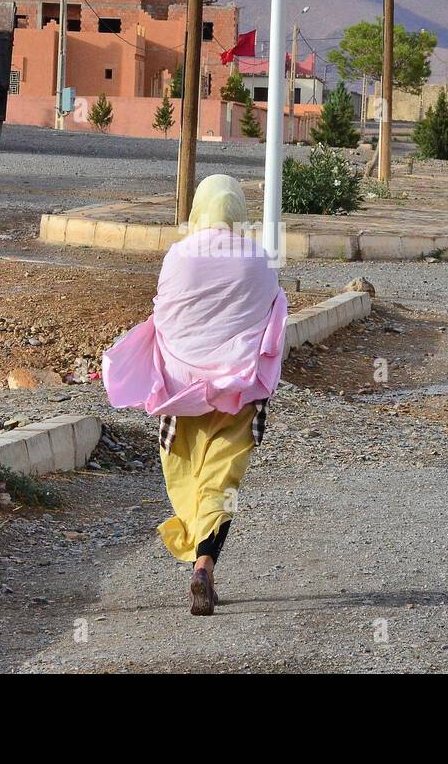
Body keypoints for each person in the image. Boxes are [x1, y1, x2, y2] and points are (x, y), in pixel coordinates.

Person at [102, 175, 287, 616]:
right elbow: (273, 319)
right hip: (237, 392)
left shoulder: (178, 256)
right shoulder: (259, 260)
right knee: (222, 479)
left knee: (185, 473)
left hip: (180, 392)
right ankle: (205, 563)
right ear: (238, 212)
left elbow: (164, 315)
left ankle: (198, 555)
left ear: (199, 209)